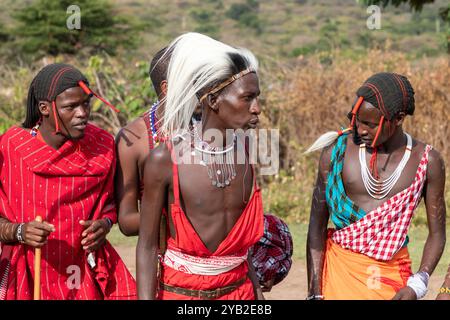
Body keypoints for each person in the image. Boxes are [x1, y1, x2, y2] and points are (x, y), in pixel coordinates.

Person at [136, 32, 265, 300]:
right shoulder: (165, 160)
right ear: (213, 100)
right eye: (248, 98)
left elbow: (244, 249)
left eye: (258, 98)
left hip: (240, 294)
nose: (257, 109)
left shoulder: (248, 152)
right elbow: (147, 246)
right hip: (181, 294)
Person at [0, 63, 136, 300]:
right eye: (71, 107)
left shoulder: (103, 146)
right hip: (28, 274)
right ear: (44, 108)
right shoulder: (11, 148)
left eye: (86, 104)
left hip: (85, 274)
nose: (82, 113)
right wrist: (19, 231)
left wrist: (104, 224)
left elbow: (113, 204)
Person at [306, 72, 446, 300]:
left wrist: (418, 283)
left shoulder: (427, 162)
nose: (360, 130)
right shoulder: (336, 153)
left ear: (398, 118)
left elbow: (437, 234)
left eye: (370, 124)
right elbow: (316, 226)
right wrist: (314, 293)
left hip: (393, 281)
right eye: (357, 120)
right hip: (339, 275)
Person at [115, 47, 169, 237]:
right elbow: (127, 221)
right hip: (164, 259)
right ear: (167, 88)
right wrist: (175, 217)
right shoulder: (134, 138)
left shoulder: (213, 127)